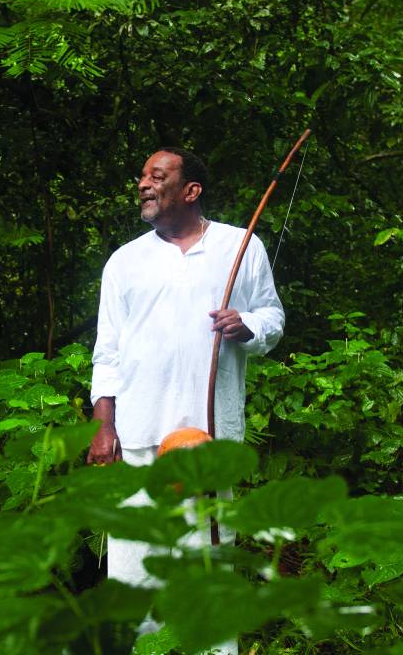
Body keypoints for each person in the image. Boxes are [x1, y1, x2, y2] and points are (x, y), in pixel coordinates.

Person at [87, 146, 285, 652]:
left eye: (158, 176)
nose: (143, 184)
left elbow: (272, 317)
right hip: (139, 435)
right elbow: (106, 350)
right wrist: (104, 425)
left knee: (206, 557)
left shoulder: (240, 247)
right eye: (142, 176)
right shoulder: (125, 261)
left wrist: (247, 326)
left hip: (207, 434)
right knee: (135, 566)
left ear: (190, 190)